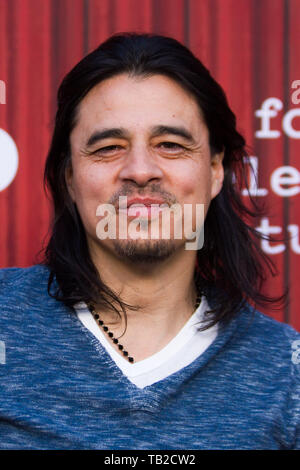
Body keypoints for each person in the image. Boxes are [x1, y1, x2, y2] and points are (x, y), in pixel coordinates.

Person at [0, 33, 299, 451]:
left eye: (170, 145)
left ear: (215, 171)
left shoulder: (285, 371)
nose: (140, 170)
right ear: (69, 178)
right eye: (108, 147)